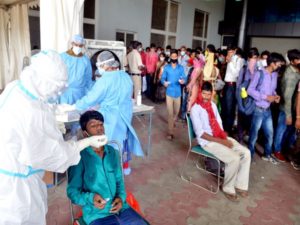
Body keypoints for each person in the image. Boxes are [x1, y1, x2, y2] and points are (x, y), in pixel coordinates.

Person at [0, 50, 106, 225]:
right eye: (56, 88)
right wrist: (84, 142)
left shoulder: (18, 88)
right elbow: (55, 156)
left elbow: (39, 107)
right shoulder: (30, 112)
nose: (57, 93)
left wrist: (52, 115)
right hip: (15, 191)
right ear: (43, 80)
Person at [67, 110, 149, 225]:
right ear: (85, 133)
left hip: (121, 208)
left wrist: (120, 198)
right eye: (93, 126)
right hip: (97, 214)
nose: (99, 129)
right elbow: (72, 193)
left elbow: (120, 181)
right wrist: (91, 198)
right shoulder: (79, 158)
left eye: (101, 125)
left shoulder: (113, 153)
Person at [72, 50, 143, 174]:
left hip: (110, 119)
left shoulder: (105, 80)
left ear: (105, 65)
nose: (99, 68)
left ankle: (105, 173)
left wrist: (74, 106)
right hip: (125, 116)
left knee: (106, 145)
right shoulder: (126, 76)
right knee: (120, 143)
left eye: (99, 65)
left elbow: (91, 99)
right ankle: (122, 168)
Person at [190, 81, 251, 202]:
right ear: (200, 93)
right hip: (207, 142)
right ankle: (228, 188)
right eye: (204, 94)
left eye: (208, 94)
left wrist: (224, 138)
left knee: (246, 153)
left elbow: (219, 124)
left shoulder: (213, 105)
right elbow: (200, 134)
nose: (206, 97)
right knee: (234, 158)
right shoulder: (195, 109)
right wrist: (222, 142)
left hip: (219, 137)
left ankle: (240, 184)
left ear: (212, 93)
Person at [247, 52, 285, 163]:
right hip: (258, 109)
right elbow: (250, 90)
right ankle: (250, 156)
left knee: (270, 134)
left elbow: (272, 89)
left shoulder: (274, 75)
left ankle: (267, 154)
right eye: (278, 64)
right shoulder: (260, 74)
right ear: (272, 63)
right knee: (254, 135)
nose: (279, 66)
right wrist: (265, 97)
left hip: (268, 110)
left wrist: (275, 96)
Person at [273, 49, 300, 162]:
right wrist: (288, 115)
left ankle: (283, 149)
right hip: (286, 108)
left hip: (292, 108)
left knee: (288, 130)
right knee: (281, 129)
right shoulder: (290, 75)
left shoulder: (296, 71)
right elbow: (287, 97)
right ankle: (277, 151)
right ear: (292, 61)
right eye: (298, 59)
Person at [59, 34, 93, 104]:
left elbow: (88, 78)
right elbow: (57, 74)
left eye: (80, 46)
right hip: (65, 93)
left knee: (78, 113)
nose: (78, 47)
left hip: (80, 93)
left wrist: (91, 91)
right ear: (72, 43)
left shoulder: (85, 60)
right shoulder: (63, 57)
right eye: (76, 45)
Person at [161, 49, 187, 140]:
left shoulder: (181, 68)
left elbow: (184, 77)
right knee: (170, 113)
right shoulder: (167, 67)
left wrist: (183, 81)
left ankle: (174, 120)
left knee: (176, 112)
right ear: (170, 57)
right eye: (172, 57)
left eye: (175, 57)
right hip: (169, 92)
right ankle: (170, 132)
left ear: (177, 57)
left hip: (178, 93)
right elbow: (162, 78)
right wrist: (164, 82)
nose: (174, 58)